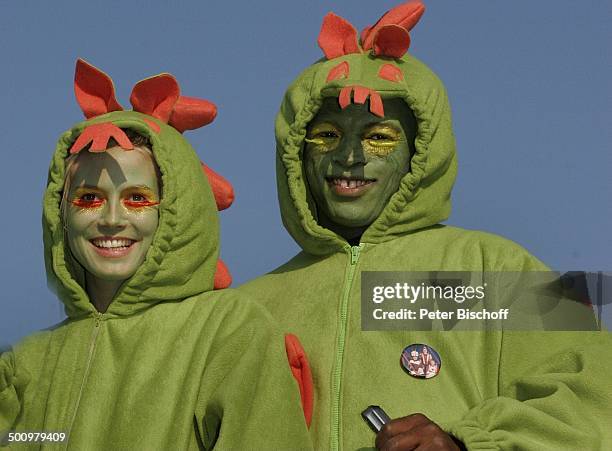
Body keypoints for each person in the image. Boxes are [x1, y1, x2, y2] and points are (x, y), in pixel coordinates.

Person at [238, 2, 612, 450]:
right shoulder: (245, 311)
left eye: (379, 136)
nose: (351, 157)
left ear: (420, 152)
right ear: (297, 152)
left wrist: (469, 444)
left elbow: (595, 389)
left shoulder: (491, 267)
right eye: (327, 135)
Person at [0, 60, 312, 450]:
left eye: (137, 198)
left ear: (174, 209)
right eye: (89, 198)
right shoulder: (25, 362)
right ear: (58, 212)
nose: (112, 219)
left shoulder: (227, 329)